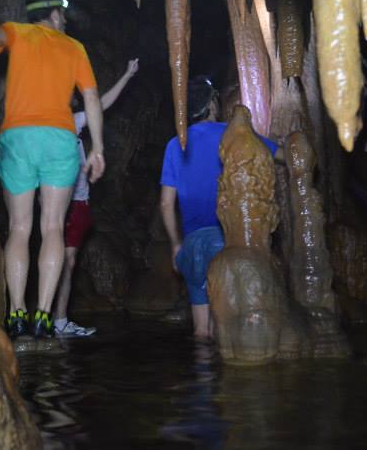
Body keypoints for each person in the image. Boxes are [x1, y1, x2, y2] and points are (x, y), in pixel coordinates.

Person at [0, 0, 105, 340]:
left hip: (19, 137)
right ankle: (44, 314)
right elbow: (90, 97)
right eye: (62, 14)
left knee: (19, 228)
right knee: (54, 227)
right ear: (55, 15)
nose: (64, 20)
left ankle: (16, 312)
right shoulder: (74, 47)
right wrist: (98, 147)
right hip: (58, 140)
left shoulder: (15, 31)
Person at [159, 77, 281, 341]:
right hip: (224, 239)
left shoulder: (174, 145)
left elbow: (166, 203)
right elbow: (281, 155)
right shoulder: (233, 135)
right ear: (211, 104)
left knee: (202, 331)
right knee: (227, 330)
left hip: (192, 244)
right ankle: (225, 381)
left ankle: (202, 379)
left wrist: (175, 245)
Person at [53, 58, 139, 337]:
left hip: (77, 204)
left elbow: (100, 105)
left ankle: (57, 318)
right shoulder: (55, 126)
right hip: (63, 204)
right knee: (63, 260)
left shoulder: (72, 123)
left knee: (67, 261)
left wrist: (126, 75)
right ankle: (54, 319)